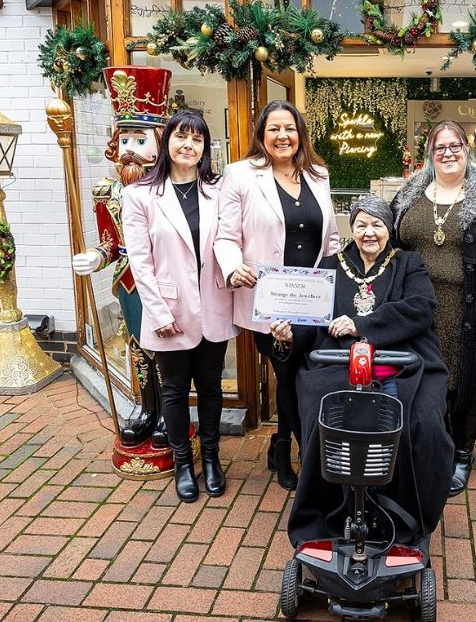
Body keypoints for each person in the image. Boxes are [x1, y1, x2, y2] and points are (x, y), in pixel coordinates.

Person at [272, 194, 454, 546]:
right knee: (324, 411)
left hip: (403, 357)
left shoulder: (408, 263)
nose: (369, 233)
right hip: (336, 357)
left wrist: (361, 324)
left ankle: (406, 519)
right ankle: (328, 515)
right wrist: (291, 334)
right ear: (351, 228)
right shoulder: (328, 265)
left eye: (377, 225)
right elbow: (312, 320)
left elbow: (420, 308)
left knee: (423, 421)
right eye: (361, 225)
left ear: (389, 229)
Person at [392, 120, 476, 496]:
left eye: (455, 146)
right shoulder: (409, 194)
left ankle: (462, 454)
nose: (448, 153)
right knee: (426, 382)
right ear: (429, 155)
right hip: (418, 309)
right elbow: (388, 239)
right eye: (439, 147)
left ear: (467, 149)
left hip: (470, 310)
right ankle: (431, 447)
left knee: (467, 385)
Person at [214, 100, 339, 490]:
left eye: (290, 128)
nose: (283, 136)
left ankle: (287, 446)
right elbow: (225, 236)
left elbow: (331, 238)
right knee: (286, 376)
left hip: (313, 299)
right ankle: (287, 450)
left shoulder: (318, 173)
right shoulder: (240, 175)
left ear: (300, 133)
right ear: (262, 135)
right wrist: (234, 267)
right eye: (274, 129)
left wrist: (339, 286)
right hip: (270, 299)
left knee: (305, 374)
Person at [122, 110, 239, 502]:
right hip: (168, 309)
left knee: (210, 387)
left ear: (205, 148)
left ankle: (211, 459)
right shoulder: (140, 195)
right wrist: (158, 312)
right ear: (166, 141)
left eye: (197, 139)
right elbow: (140, 261)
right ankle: (182, 463)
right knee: (173, 390)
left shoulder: (218, 191)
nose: (188, 145)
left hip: (214, 304)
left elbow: (230, 240)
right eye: (181, 137)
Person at [72, 66, 171, 449]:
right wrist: (97, 258)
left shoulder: (173, 187)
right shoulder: (109, 192)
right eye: (125, 138)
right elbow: (109, 242)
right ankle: (148, 409)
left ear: (159, 142)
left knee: (168, 351)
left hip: (167, 277)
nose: (130, 147)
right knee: (139, 346)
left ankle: (171, 414)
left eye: (140, 138)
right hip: (130, 277)